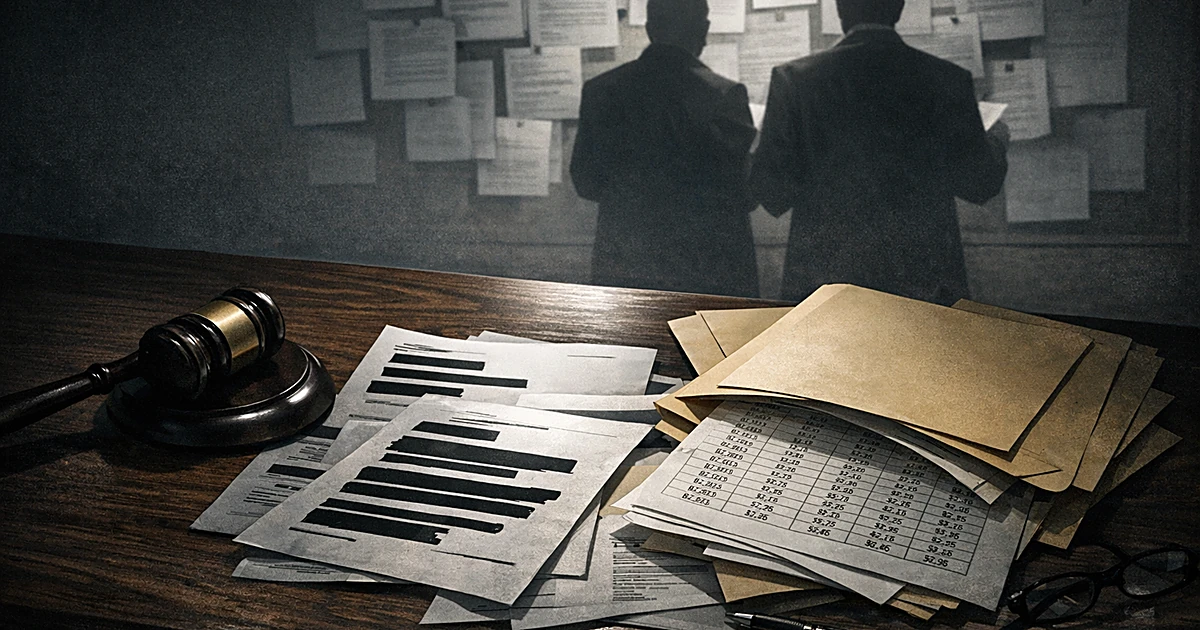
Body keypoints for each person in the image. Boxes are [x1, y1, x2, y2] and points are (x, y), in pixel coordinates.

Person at [750, 0, 1009, 304]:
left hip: (825, 280)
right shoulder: (947, 80)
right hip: (923, 279)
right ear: (898, 8)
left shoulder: (794, 81)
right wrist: (997, 139)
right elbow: (979, 184)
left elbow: (772, 193)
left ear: (840, 9)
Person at [570, 0, 760, 297]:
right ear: (704, 29)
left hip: (627, 260)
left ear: (649, 29)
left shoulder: (601, 90)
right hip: (708, 268)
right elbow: (746, 194)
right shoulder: (724, 95)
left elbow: (585, 181)